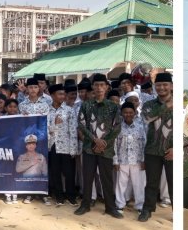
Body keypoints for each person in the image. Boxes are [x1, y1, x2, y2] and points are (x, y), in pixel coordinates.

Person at [76, 73, 122, 218]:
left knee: (106, 179)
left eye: (102, 85)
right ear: (93, 87)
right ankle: (85, 205)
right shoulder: (86, 105)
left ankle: (110, 207)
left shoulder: (113, 106)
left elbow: (117, 127)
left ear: (107, 87)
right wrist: (95, 140)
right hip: (89, 148)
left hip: (106, 150)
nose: (99, 88)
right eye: (96, 85)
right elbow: (82, 125)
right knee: (88, 178)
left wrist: (104, 143)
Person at [138, 72, 173, 222]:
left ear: (171, 86)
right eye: (158, 85)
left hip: (171, 151)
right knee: (151, 183)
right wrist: (167, 106)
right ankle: (147, 209)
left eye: (165, 84)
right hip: (152, 149)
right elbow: (147, 118)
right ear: (154, 87)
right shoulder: (148, 105)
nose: (162, 88)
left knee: (173, 183)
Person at [47, 83, 77, 206]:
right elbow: (44, 128)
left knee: (69, 172)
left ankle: (71, 196)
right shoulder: (46, 110)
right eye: (59, 94)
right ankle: (59, 196)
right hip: (52, 145)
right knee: (55, 172)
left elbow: (73, 130)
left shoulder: (69, 111)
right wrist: (54, 124)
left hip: (66, 145)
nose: (62, 96)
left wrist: (74, 148)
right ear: (52, 95)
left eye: (63, 94)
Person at [114, 101, 146, 214]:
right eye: (125, 112)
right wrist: (115, 160)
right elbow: (114, 144)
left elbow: (143, 144)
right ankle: (119, 205)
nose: (128, 114)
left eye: (130, 112)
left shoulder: (140, 127)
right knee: (121, 183)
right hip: (122, 160)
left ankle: (140, 205)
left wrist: (143, 160)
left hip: (137, 161)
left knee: (138, 184)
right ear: (121, 113)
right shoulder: (118, 127)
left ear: (134, 113)